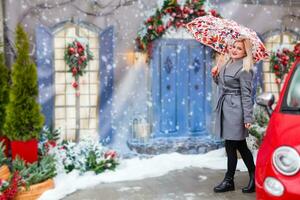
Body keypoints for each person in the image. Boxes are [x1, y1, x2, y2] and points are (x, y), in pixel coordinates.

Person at [211, 37, 256, 193]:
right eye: (233, 46)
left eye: (239, 48)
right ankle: (252, 177)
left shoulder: (245, 68)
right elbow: (223, 85)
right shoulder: (227, 63)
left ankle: (229, 180)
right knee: (239, 146)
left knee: (233, 145)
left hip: (237, 111)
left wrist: (248, 117)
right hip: (226, 108)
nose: (234, 50)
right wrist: (216, 74)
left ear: (245, 52)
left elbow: (246, 95)